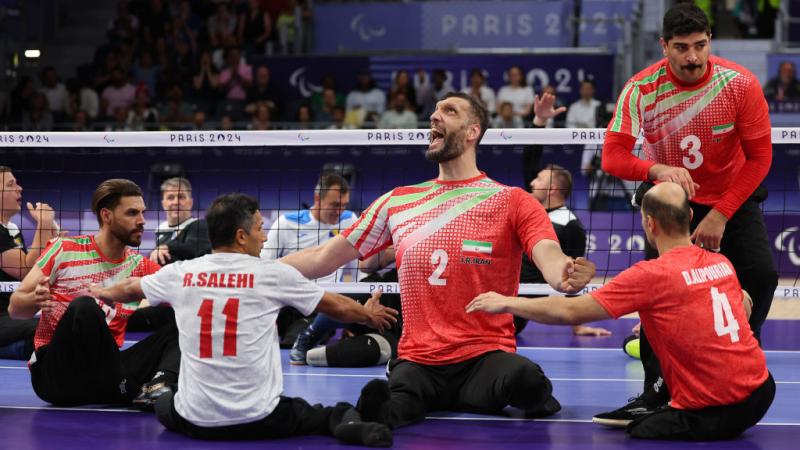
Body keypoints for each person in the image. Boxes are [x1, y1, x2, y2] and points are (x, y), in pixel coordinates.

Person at [281, 92, 595, 428]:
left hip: (484, 357)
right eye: (433, 110)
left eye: (449, 110)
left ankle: (485, 392)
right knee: (389, 404)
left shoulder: (513, 200)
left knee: (528, 380)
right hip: (420, 360)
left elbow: (550, 258)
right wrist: (260, 266)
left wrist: (567, 273)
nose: (434, 116)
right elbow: (323, 257)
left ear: (473, 130)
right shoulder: (399, 201)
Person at [467, 182, 774, 441]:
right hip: (762, 391)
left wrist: (507, 301)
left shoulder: (651, 274)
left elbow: (571, 311)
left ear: (649, 223)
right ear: (691, 216)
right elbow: (744, 304)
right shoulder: (721, 262)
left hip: (719, 409)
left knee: (640, 431)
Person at [89, 193, 395, 446]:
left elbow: (129, 287)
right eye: (260, 228)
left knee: (165, 404)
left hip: (196, 421)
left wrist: (98, 292)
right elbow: (336, 306)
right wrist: (369, 315)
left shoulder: (180, 273)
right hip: (261, 417)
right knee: (330, 414)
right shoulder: (272, 273)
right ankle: (353, 422)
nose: (264, 236)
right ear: (240, 235)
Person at [598, 3, 777, 424]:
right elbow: (612, 156)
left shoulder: (739, 84)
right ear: (664, 46)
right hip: (670, 200)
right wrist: (656, 168)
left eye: (700, 45)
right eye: (681, 48)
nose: (693, 57)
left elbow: (761, 158)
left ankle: (734, 364)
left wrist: (720, 214)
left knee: (762, 276)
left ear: (710, 41)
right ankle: (655, 392)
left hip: (730, 196)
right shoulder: (642, 88)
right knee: (660, 294)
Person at [9, 179, 179, 408]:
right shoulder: (64, 249)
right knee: (85, 306)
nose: (142, 221)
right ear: (106, 215)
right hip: (56, 377)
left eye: (142, 213)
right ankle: (127, 388)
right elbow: (15, 309)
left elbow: (185, 297)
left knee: (183, 323)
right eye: (132, 213)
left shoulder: (141, 266)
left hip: (104, 376)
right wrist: (33, 299)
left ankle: (158, 386)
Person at [263, 173, 359, 357]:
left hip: (321, 303)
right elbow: (264, 266)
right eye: (334, 205)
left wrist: (352, 315)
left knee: (293, 344)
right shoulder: (286, 223)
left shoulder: (350, 220)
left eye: (344, 205)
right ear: (318, 199)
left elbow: (356, 270)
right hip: (287, 301)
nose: (339, 211)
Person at [521, 164, 611, 337]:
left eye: (539, 179)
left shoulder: (570, 225)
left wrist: (578, 326)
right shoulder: (529, 215)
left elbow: (574, 275)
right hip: (502, 291)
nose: (532, 183)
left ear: (552, 188)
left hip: (519, 304)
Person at [0, 166, 59, 359]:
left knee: (62, 323)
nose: (20, 188)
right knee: (54, 327)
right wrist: (43, 225)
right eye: (11, 185)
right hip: (3, 318)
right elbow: (26, 270)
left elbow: (36, 267)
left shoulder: (11, 228)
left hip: (11, 315)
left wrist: (53, 241)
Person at [150, 177, 211, 265]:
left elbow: (194, 248)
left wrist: (167, 247)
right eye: (170, 197)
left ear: (190, 202)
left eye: (181, 197)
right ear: (163, 204)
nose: (176, 202)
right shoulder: (160, 229)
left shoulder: (199, 225)